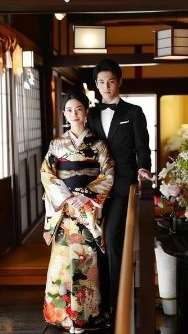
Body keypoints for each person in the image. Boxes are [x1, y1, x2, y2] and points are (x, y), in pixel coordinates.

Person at [41, 90, 115, 334]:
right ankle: (63, 316)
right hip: (65, 211)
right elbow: (47, 174)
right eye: (69, 110)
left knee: (86, 264)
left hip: (86, 210)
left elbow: (107, 174)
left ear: (86, 112)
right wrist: (66, 198)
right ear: (64, 113)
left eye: (79, 109)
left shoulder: (98, 145)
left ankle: (85, 316)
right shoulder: (56, 145)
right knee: (62, 263)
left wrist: (84, 195)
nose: (74, 114)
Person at [88, 58, 152, 324]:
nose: (106, 86)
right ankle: (95, 304)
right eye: (101, 82)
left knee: (112, 238)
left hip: (122, 187)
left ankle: (117, 306)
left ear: (119, 82)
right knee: (93, 244)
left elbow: (142, 149)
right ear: (96, 85)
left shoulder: (133, 112)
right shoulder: (89, 114)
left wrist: (143, 169)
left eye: (111, 81)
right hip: (93, 189)